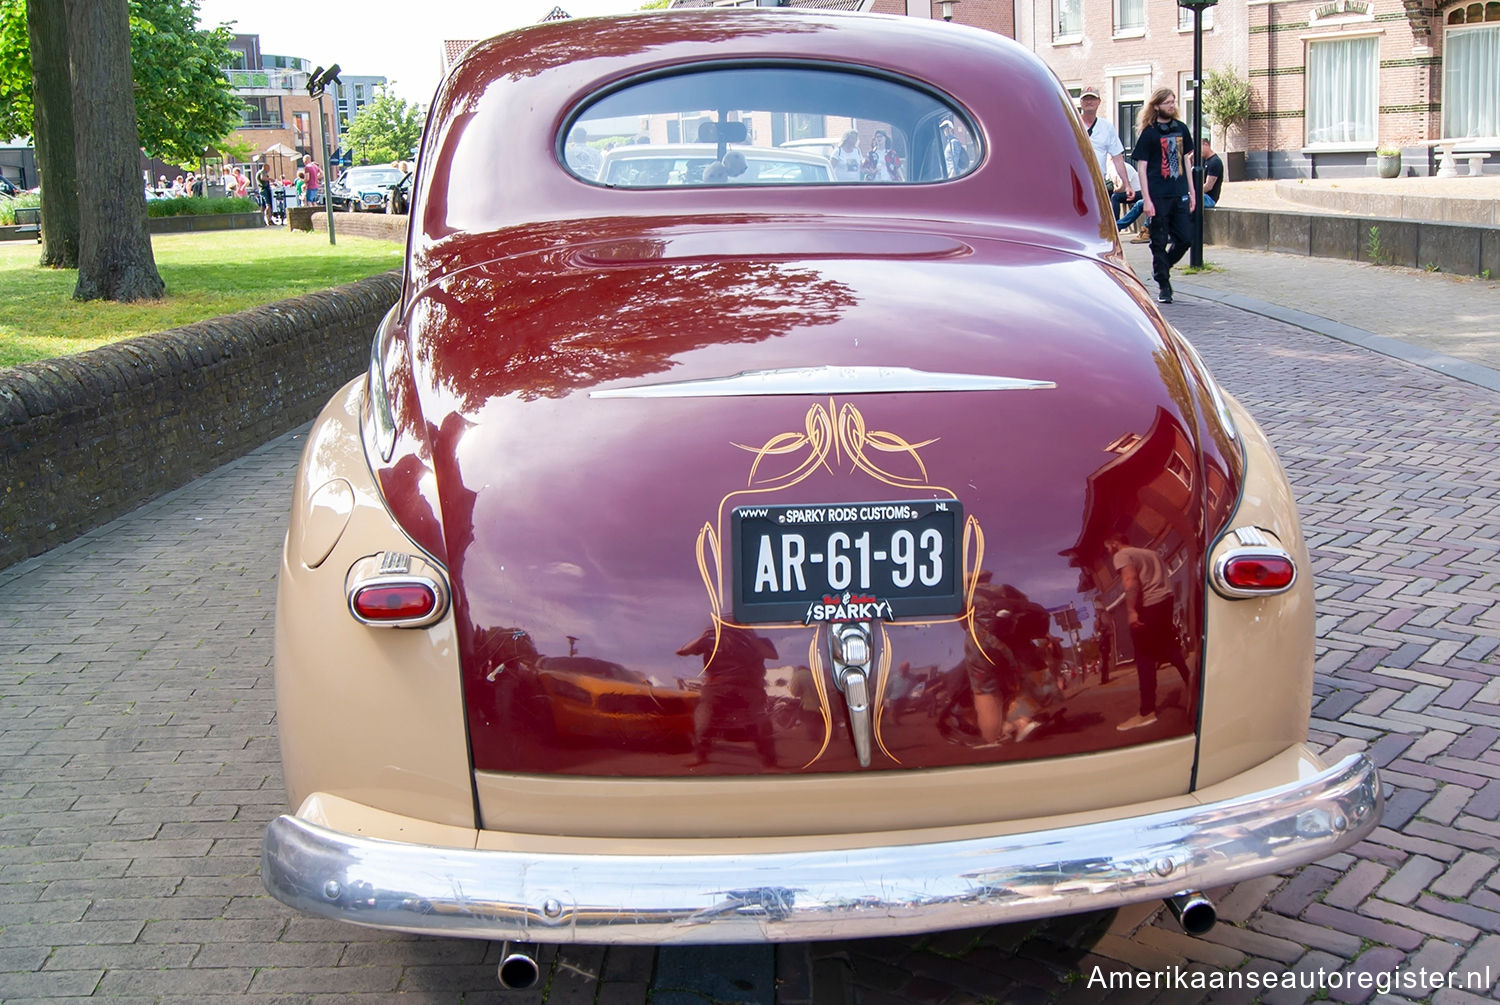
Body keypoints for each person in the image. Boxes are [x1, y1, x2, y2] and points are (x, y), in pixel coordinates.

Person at [1104, 534, 1193, 731]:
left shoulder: (1122, 555)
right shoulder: (1150, 553)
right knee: (1169, 646)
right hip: (1165, 600)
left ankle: (1147, 712)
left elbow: (1130, 579)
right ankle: (1191, 680)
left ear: (1114, 542)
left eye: (1107, 547)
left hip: (1149, 604)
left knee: (1144, 656)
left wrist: (1131, 611)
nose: (1108, 551)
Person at [1131, 88, 1195, 304]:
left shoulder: (1181, 129)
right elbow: (1142, 167)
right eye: (1167, 102)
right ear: (1156, 105)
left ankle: (1162, 268)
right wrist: (1147, 199)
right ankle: (1164, 285)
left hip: (1179, 193)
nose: (1172, 105)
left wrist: (1192, 192)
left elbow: (1187, 161)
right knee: (1158, 240)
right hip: (1158, 195)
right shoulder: (1149, 134)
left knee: (1185, 238)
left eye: (1173, 101)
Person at [1078, 85, 1133, 210]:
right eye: (1085, 99)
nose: (1089, 102)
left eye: (1092, 99)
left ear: (1099, 102)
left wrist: (1127, 184)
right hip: (1075, 181)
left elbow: (1117, 158)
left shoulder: (1107, 127)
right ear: (1081, 102)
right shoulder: (1072, 124)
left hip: (1098, 182)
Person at [1197, 138, 1224, 208]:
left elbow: (1208, 186)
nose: (1198, 151)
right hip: (1202, 195)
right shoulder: (1202, 160)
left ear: (1206, 145)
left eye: (1199, 148)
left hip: (1209, 198)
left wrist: (1194, 193)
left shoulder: (1215, 162)